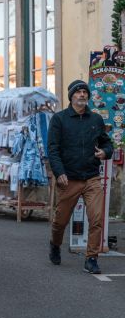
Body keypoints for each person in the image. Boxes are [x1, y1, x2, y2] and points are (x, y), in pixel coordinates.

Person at [48, 80, 113, 274]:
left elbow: (107, 143)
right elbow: (53, 149)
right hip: (69, 178)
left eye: (85, 92)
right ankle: (55, 243)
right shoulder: (59, 119)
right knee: (60, 220)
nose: (82, 95)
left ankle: (91, 258)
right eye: (78, 92)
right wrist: (59, 173)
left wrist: (105, 152)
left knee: (96, 219)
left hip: (92, 177)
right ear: (71, 96)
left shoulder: (96, 120)